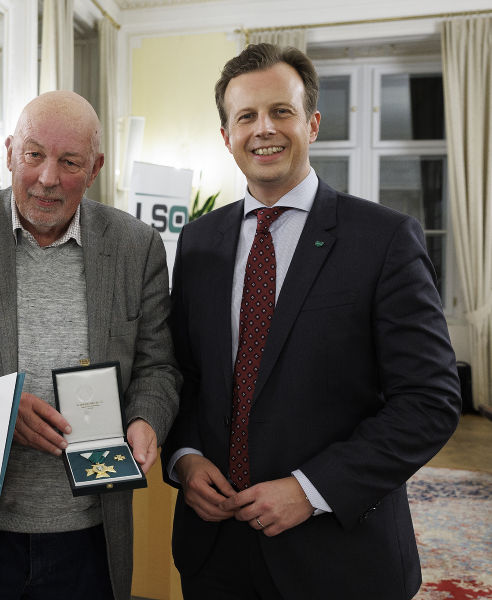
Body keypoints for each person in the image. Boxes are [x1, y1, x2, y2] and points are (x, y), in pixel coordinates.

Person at [163, 43, 461, 600]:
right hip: (215, 553)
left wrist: (311, 489)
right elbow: (183, 374)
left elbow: (429, 400)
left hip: (337, 557)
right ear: (226, 136)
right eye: (245, 116)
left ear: (313, 123)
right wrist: (185, 458)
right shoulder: (201, 240)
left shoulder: (384, 240)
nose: (264, 129)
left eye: (282, 111)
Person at [0, 90, 180, 600]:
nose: (48, 178)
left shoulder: (136, 247)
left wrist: (146, 419)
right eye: (34, 155)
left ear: (94, 169)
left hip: (91, 539)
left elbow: (158, 367)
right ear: (8, 152)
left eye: (69, 162)